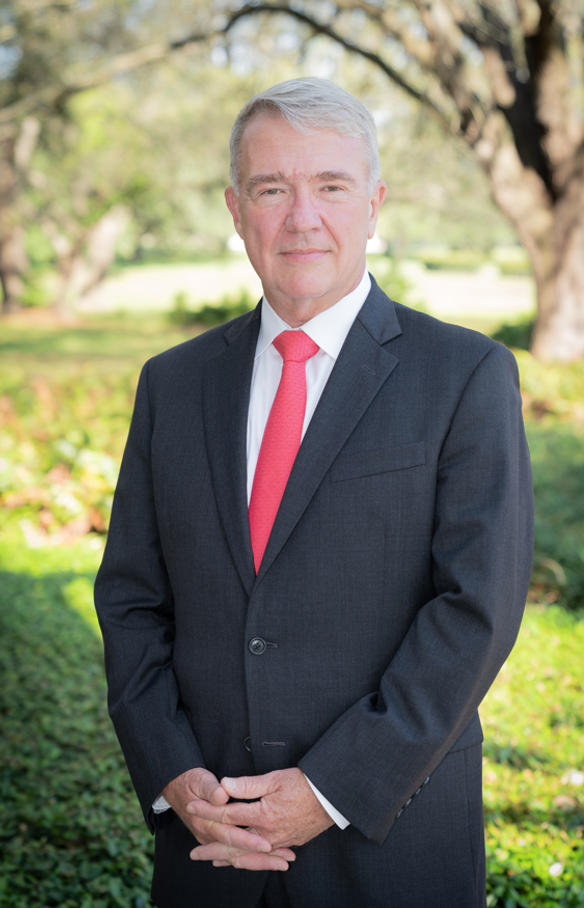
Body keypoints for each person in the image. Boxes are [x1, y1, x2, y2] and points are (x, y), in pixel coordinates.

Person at [94, 77, 534, 908]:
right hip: (209, 846)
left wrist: (329, 788)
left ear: (373, 203)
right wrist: (176, 777)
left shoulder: (465, 375)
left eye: (330, 186)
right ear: (235, 208)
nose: (302, 216)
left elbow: (475, 610)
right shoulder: (171, 385)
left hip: (389, 845)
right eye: (272, 188)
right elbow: (130, 599)